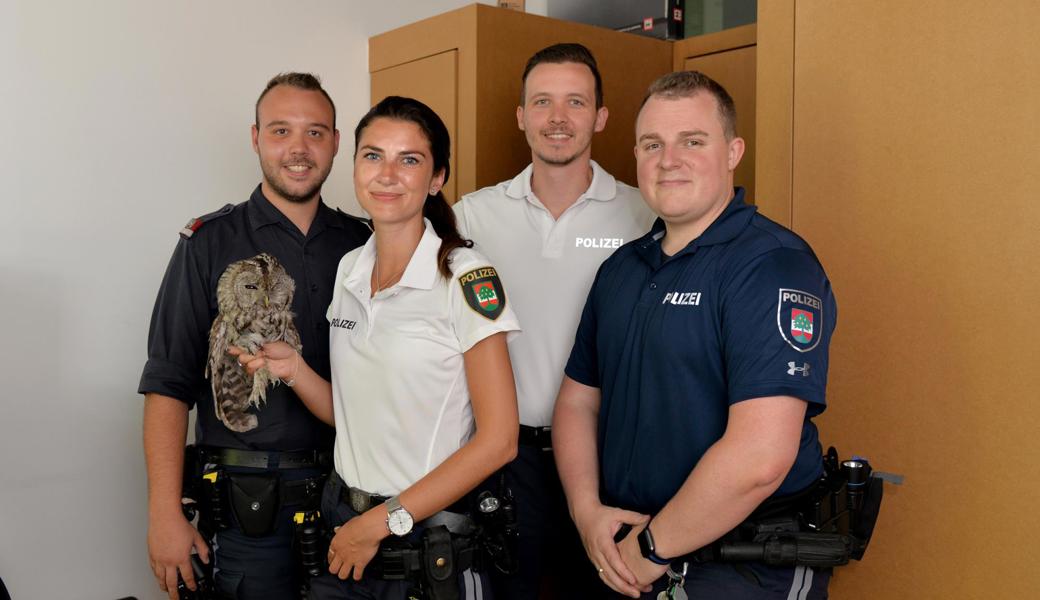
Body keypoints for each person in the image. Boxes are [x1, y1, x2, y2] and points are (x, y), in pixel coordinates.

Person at [553, 71, 837, 599]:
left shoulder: (773, 266)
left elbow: (759, 457)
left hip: (740, 567)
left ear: (733, 151)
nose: (668, 160)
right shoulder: (620, 270)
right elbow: (577, 402)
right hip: (623, 553)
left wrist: (652, 550)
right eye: (652, 144)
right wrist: (586, 509)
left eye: (692, 141)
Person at [235, 95, 520, 599]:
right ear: (354, 166)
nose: (387, 174)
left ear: (436, 178)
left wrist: (382, 523)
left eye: (409, 159)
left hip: (421, 539)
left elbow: (499, 440)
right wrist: (295, 368)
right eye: (373, 156)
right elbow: (350, 417)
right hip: (344, 523)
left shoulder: (465, 277)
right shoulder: (351, 268)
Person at [140, 72, 370, 599]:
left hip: (351, 503)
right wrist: (163, 513)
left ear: (336, 142)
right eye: (280, 130)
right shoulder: (207, 243)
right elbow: (168, 383)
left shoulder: (366, 244)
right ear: (255, 138)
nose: (299, 148)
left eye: (316, 132)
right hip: (248, 512)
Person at [452, 42, 655, 599]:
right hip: (506, 463)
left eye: (575, 102)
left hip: (612, 460)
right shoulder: (472, 216)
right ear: (521, 116)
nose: (558, 119)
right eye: (542, 102)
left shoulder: (645, 214)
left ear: (601, 116)